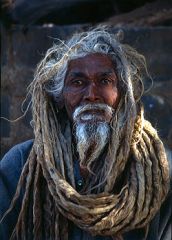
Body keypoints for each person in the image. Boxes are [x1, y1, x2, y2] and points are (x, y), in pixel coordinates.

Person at [0, 27, 171, 240]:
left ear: (123, 95)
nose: (91, 95)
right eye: (78, 82)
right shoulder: (19, 164)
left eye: (105, 81)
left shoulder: (156, 169)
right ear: (60, 98)